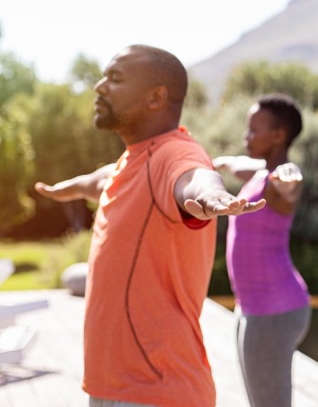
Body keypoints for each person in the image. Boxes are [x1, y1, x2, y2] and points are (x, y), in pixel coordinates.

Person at [34, 45, 265, 407]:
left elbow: (195, 177)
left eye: (115, 78)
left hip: (158, 391)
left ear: (156, 97)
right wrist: (66, 189)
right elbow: (99, 180)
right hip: (109, 387)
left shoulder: (175, 153)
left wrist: (212, 196)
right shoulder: (131, 160)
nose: (99, 86)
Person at [213, 94, 310, 407]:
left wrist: (289, 181)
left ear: (278, 136)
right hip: (253, 307)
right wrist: (217, 163)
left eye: (254, 130)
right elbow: (238, 164)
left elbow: (290, 182)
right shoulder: (259, 173)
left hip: (273, 311)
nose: (246, 136)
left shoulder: (278, 180)